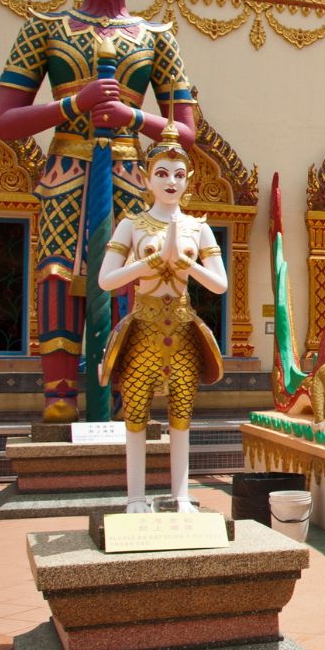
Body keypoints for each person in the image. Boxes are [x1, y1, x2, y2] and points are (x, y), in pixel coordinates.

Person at [0, 0, 197, 423]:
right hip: (66, 168)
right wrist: (72, 105)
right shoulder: (46, 28)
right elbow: (4, 121)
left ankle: (125, 396)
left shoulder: (157, 38)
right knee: (59, 276)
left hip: (134, 171)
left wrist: (131, 115)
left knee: (133, 278)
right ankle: (59, 401)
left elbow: (185, 133)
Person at [97, 124, 225, 513]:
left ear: (189, 181)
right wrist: (149, 261)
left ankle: (181, 495)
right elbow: (105, 279)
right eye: (163, 173)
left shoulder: (198, 227)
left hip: (183, 326)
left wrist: (189, 264)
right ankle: (136, 497)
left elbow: (219, 285)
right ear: (146, 178)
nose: (171, 181)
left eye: (179, 174)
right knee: (135, 413)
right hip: (144, 327)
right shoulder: (131, 225)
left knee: (181, 415)